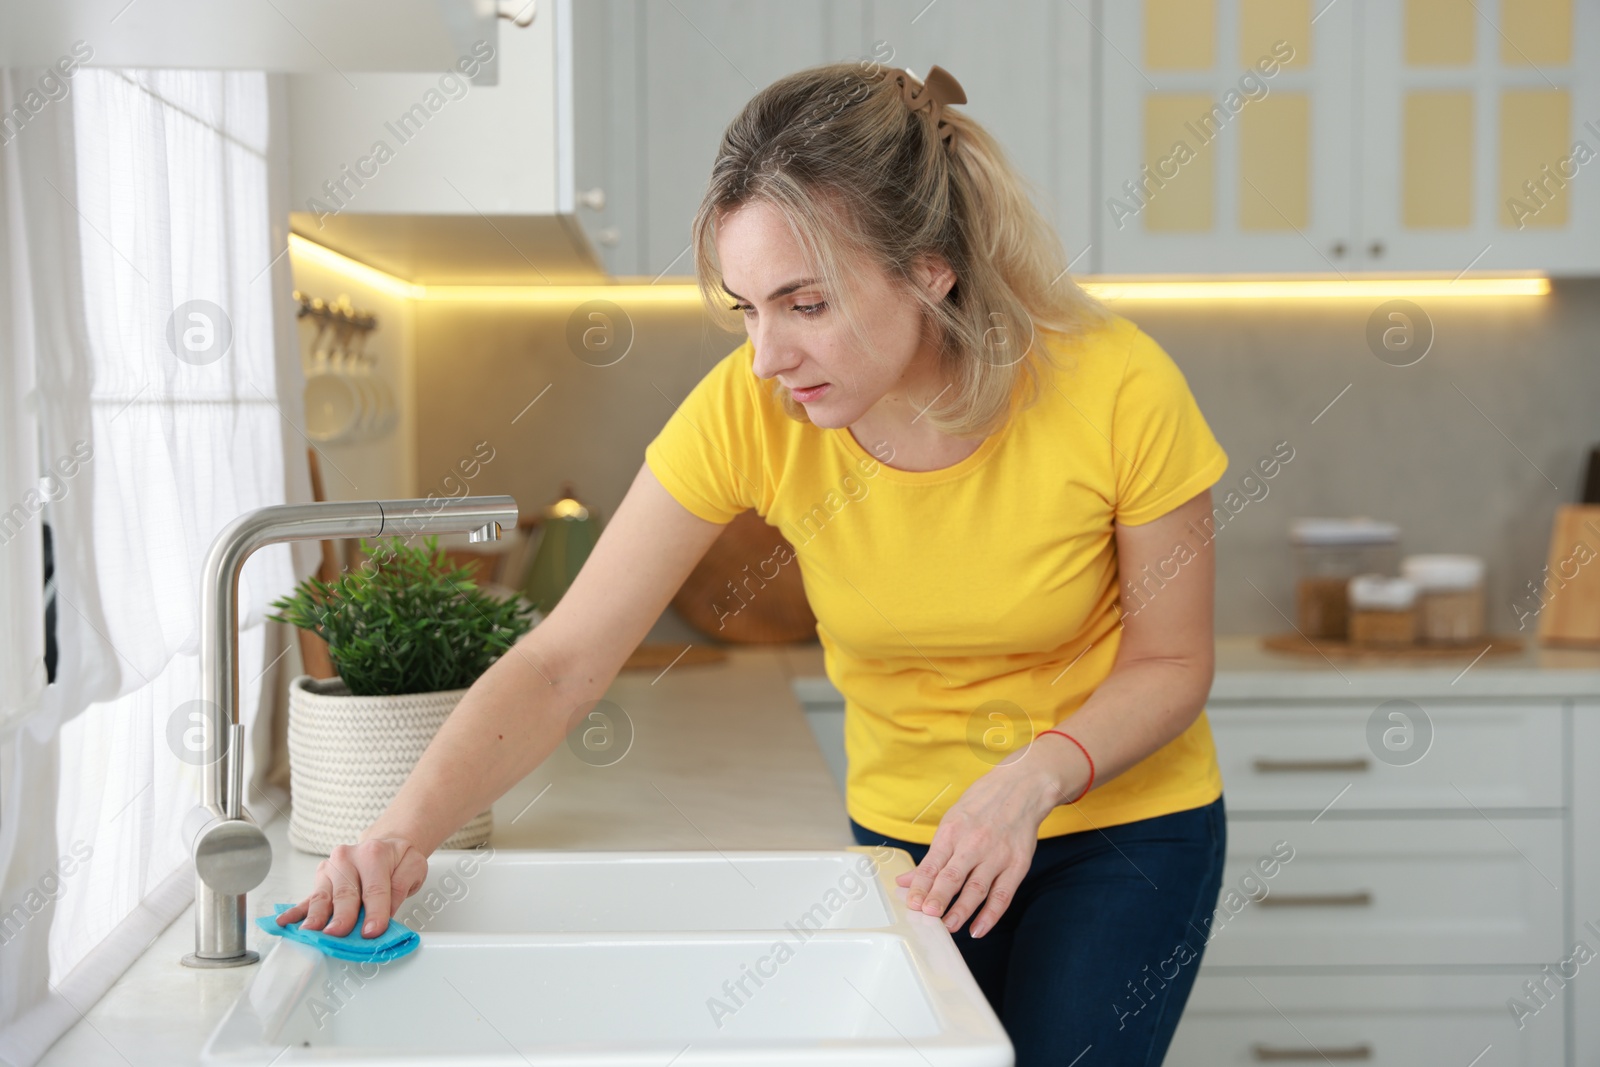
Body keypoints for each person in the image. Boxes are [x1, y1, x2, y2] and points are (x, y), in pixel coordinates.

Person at [280, 59, 1230, 1065]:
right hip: (908, 838)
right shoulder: (751, 409)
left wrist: (1035, 774)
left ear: (931, 267)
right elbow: (562, 660)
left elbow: (1171, 663)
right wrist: (399, 834)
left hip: (1122, 827)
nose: (767, 354)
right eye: (745, 308)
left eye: (804, 304)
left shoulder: (1113, 384)